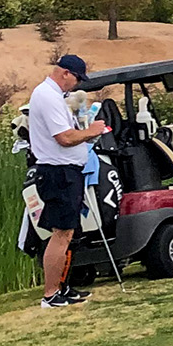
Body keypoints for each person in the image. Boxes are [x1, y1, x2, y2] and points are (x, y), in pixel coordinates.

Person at [27, 54, 109, 309]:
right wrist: (91, 132)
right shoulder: (47, 96)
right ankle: (50, 294)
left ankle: (62, 287)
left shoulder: (56, 97)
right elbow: (63, 138)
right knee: (61, 233)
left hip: (67, 170)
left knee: (68, 232)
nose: (76, 85)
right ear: (65, 73)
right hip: (57, 172)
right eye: (76, 79)